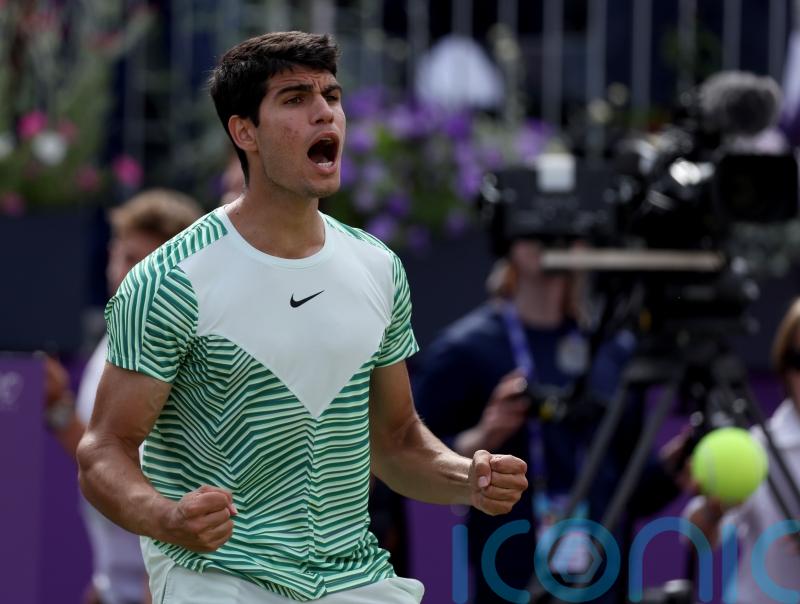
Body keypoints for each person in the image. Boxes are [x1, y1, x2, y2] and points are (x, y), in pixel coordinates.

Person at [76, 31, 528, 604]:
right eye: (294, 99)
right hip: (220, 580)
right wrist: (166, 518)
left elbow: (395, 442)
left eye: (331, 96)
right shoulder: (169, 279)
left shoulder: (378, 267)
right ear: (245, 132)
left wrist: (468, 478)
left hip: (356, 580)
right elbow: (103, 452)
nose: (324, 112)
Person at [413, 238, 686, 603]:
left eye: (564, 229)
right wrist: (482, 438)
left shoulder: (612, 353)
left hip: (603, 588)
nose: (547, 238)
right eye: (534, 226)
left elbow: (633, 491)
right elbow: (412, 459)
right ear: (508, 235)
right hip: (508, 586)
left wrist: (677, 462)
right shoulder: (466, 349)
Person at [43, 189, 203, 604]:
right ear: (111, 255)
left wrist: (153, 585)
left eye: (150, 263)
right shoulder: (117, 335)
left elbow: (161, 481)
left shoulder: (176, 350)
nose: (136, 276)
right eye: (128, 258)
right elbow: (106, 455)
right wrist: (106, 582)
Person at [686, 297, 800, 602]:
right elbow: (696, 539)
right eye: (799, 360)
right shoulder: (756, 447)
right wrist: (712, 511)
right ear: (784, 367)